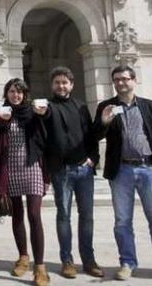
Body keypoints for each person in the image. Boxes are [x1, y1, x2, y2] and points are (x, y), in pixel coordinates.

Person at [94, 64, 152, 283]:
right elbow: (95, 135)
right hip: (121, 170)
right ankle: (127, 263)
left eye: (125, 79)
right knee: (122, 220)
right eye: (116, 80)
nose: (120, 83)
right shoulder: (106, 106)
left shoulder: (149, 106)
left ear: (134, 81)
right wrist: (104, 122)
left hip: (148, 168)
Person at [34, 66, 103, 279]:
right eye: (57, 83)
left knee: (87, 216)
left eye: (65, 82)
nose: (61, 86)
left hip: (83, 169)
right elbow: (42, 133)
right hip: (61, 171)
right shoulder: (48, 107)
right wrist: (41, 115)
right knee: (63, 215)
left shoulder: (81, 106)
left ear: (71, 85)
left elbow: (91, 135)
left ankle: (89, 260)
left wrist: (94, 159)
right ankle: (67, 260)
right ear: (52, 85)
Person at [0, 77, 49, 286]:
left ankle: (40, 267)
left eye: (19, 92)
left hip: (33, 166)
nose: (15, 95)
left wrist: (43, 114)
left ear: (25, 94)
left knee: (34, 215)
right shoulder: (2, 114)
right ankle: (23, 257)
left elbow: (45, 135)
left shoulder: (33, 113)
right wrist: (0, 120)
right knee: (17, 214)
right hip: (11, 168)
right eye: (11, 91)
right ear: (6, 94)